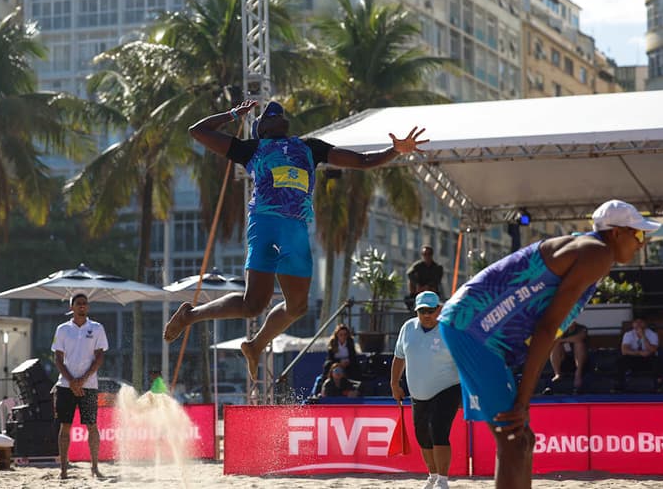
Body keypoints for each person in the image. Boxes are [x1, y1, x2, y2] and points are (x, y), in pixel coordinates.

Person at [164, 100, 428, 381]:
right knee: (253, 304)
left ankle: (255, 346)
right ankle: (189, 315)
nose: (275, 110)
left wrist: (394, 150)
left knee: (298, 307)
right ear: (260, 129)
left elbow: (362, 162)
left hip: (295, 230)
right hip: (265, 224)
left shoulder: (310, 147)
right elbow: (198, 130)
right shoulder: (251, 149)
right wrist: (233, 114)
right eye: (266, 114)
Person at [437, 199, 661, 489]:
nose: (641, 243)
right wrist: (522, 402)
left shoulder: (587, 248)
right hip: (474, 329)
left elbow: (545, 328)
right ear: (616, 232)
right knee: (513, 439)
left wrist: (522, 402)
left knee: (522, 439)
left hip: (475, 328)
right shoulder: (598, 253)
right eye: (639, 234)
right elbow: (546, 330)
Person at [391, 291, 461, 489]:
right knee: (422, 435)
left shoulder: (449, 328)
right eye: (422, 311)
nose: (427, 315)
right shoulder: (408, 328)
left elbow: (465, 359)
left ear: (439, 309)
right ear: (417, 311)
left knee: (438, 429)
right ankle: (432, 475)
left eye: (431, 310)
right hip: (418, 392)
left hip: (448, 387)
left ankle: (443, 480)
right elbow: (399, 357)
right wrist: (394, 384)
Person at [52, 293, 108, 480]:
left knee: (92, 426)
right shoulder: (62, 329)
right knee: (65, 426)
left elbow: (100, 357)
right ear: (71, 307)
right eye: (79, 304)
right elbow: (58, 359)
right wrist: (72, 381)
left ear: (88, 307)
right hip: (65, 385)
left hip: (89, 385)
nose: (82, 306)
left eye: (85, 304)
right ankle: (63, 469)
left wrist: (82, 380)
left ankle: (94, 467)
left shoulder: (97, 328)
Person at [618, 318, 660, 388]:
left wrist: (643, 336)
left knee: (657, 361)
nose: (638, 324)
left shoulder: (653, 334)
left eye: (641, 322)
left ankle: (658, 384)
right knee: (621, 361)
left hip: (648, 357)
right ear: (633, 324)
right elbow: (624, 351)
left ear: (645, 324)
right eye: (636, 322)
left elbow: (653, 349)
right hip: (634, 357)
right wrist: (639, 353)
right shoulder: (628, 334)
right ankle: (620, 384)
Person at [547, 321, 588, 393]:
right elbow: (553, 339)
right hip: (564, 358)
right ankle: (557, 373)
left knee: (579, 344)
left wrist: (562, 340)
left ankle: (578, 374)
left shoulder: (581, 328)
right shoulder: (560, 329)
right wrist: (559, 340)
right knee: (555, 346)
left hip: (581, 360)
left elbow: (580, 337)